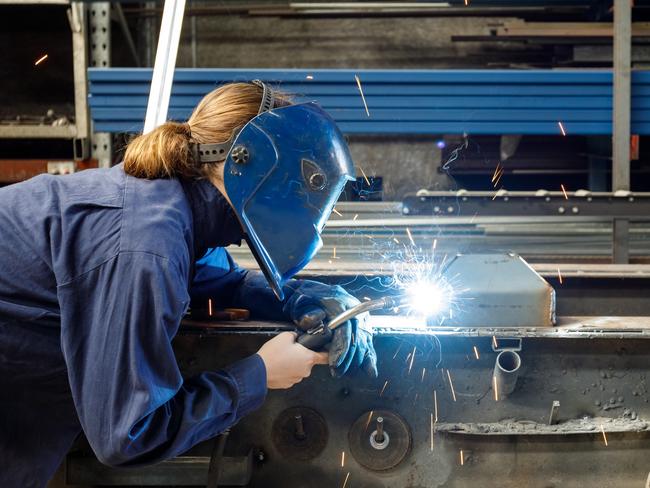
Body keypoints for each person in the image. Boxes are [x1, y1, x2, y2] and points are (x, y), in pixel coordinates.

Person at [0, 80, 377, 487]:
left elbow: (220, 281)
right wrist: (261, 373)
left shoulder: (168, 205)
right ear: (253, 163)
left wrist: (300, 299)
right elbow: (127, 434)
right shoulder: (146, 245)